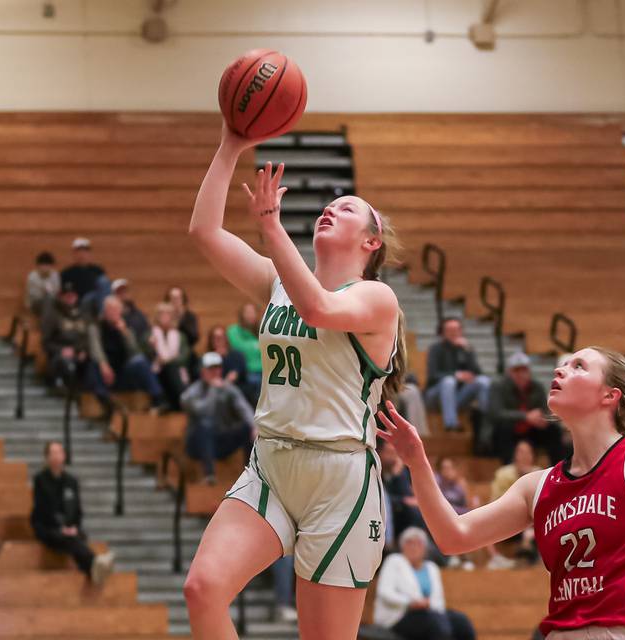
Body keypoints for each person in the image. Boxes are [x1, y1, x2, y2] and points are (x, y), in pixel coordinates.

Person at [183, 122, 405, 640]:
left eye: (347, 207)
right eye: (330, 204)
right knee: (203, 589)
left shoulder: (377, 299)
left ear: (371, 241)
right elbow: (205, 232)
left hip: (340, 477)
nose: (331, 208)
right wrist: (230, 145)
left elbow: (319, 307)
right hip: (272, 464)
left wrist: (271, 227)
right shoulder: (278, 281)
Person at [377, 347, 625, 639]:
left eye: (578, 366)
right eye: (562, 364)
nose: (560, 370)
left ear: (609, 396)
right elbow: (454, 537)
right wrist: (417, 463)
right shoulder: (538, 486)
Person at [30, 442, 114, 585]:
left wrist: (74, 526)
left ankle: (91, 567)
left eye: (59, 452)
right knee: (68, 538)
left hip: (69, 527)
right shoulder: (40, 480)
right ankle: (94, 563)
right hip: (47, 527)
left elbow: (77, 510)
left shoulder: (71, 481)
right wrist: (61, 528)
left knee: (76, 535)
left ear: (64, 455)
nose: (57, 456)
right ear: (47, 457)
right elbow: (43, 510)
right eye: (53, 453)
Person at [374, 527, 476, 640]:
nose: (414, 547)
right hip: (399, 617)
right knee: (436, 625)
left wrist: (427, 605)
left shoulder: (432, 568)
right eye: (409, 543)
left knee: (461, 622)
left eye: (418, 543)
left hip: (430, 613)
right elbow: (385, 592)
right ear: (402, 547)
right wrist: (410, 603)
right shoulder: (394, 561)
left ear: (425, 548)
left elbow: (439, 600)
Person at [180, 352, 254, 484]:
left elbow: (244, 408)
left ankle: (251, 475)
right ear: (202, 371)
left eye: (218, 368)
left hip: (220, 441)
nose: (215, 372)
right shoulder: (191, 393)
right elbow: (204, 412)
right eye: (211, 369)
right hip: (197, 445)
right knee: (205, 424)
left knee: (247, 428)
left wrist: (255, 427)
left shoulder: (228, 389)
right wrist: (213, 390)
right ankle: (209, 474)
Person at [86, 296, 167, 413]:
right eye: (111, 309)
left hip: (121, 372)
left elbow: (135, 351)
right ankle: (104, 401)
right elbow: (95, 348)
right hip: (103, 372)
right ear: (105, 311)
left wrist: (125, 333)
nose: (114, 313)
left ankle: (158, 397)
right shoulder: (96, 326)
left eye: (116, 310)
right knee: (93, 364)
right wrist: (104, 364)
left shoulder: (126, 327)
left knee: (140, 361)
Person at [488, 352, 567, 466]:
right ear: (510, 372)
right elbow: (495, 414)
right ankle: (509, 467)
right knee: (503, 429)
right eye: (516, 371)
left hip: (531, 431)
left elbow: (544, 410)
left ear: (529, 371)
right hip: (509, 431)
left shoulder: (537, 387)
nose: (521, 374)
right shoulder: (498, 386)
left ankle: (558, 467)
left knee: (553, 430)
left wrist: (542, 419)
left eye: (523, 370)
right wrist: (525, 416)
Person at [423, 318, 490, 431]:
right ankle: (451, 423)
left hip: (458, 396)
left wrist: (468, 351)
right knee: (449, 381)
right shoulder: (435, 349)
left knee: (483, 381)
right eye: (450, 330)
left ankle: (487, 423)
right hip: (435, 395)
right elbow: (432, 376)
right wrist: (456, 375)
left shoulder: (466, 348)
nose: (454, 333)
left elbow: (477, 373)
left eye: (457, 329)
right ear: (442, 333)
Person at [487, 439, 541, 568]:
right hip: (508, 519)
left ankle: (528, 548)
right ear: (515, 455)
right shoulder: (503, 474)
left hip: (534, 521)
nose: (524, 456)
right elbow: (495, 502)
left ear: (532, 456)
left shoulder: (539, 473)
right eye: (520, 452)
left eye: (528, 453)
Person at [40, 282, 90, 388]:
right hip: (60, 356)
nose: (70, 298)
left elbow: (87, 337)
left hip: (80, 353)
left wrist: (82, 350)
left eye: (72, 295)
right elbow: (46, 343)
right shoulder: (53, 315)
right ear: (61, 297)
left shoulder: (83, 315)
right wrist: (61, 350)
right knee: (66, 362)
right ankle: (61, 387)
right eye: (67, 296)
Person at [150, 302, 191, 411]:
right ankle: (185, 400)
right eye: (161, 314)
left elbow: (184, 358)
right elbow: (145, 356)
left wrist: (168, 361)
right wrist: (151, 349)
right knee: (169, 368)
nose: (164, 317)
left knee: (171, 368)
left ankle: (180, 401)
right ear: (157, 317)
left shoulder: (180, 336)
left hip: (175, 372)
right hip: (157, 373)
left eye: (167, 314)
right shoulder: (150, 334)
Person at [60, 237, 108, 316]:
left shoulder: (98, 271)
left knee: (103, 282)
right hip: (77, 305)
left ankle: (102, 315)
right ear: (74, 254)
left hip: (96, 303)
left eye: (85, 251)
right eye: (79, 252)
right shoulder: (67, 273)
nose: (82, 254)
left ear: (89, 254)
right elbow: (63, 294)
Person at [226, 303, 262, 406]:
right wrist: (254, 346)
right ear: (241, 315)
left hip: (264, 372)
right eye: (247, 312)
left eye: (252, 312)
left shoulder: (261, 330)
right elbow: (238, 348)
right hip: (245, 372)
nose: (250, 315)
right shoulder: (233, 331)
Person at [207, 325, 250, 403]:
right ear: (211, 341)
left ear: (226, 339)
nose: (218, 341)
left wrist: (222, 384)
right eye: (215, 338)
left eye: (221, 337)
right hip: (213, 391)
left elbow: (233, 376)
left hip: (235, 390)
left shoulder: (236, 355)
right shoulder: (207, 357)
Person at [112, 279, 151, 349]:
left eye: (125, 291)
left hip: (141, 349)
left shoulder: (138, 314)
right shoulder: (111, 316)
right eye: (119, 292)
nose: (123, 294)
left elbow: (147, 331)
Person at [26, 251, 60, 316]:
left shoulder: (55, 275)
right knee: (48, 303)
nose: (45, 268)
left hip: (52, 302)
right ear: (38, 266)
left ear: (51, 266)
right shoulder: (33, 277)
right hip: (36, 303)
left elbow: (56, 291)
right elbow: (34, 295)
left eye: (47, 265)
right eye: (43, 265)